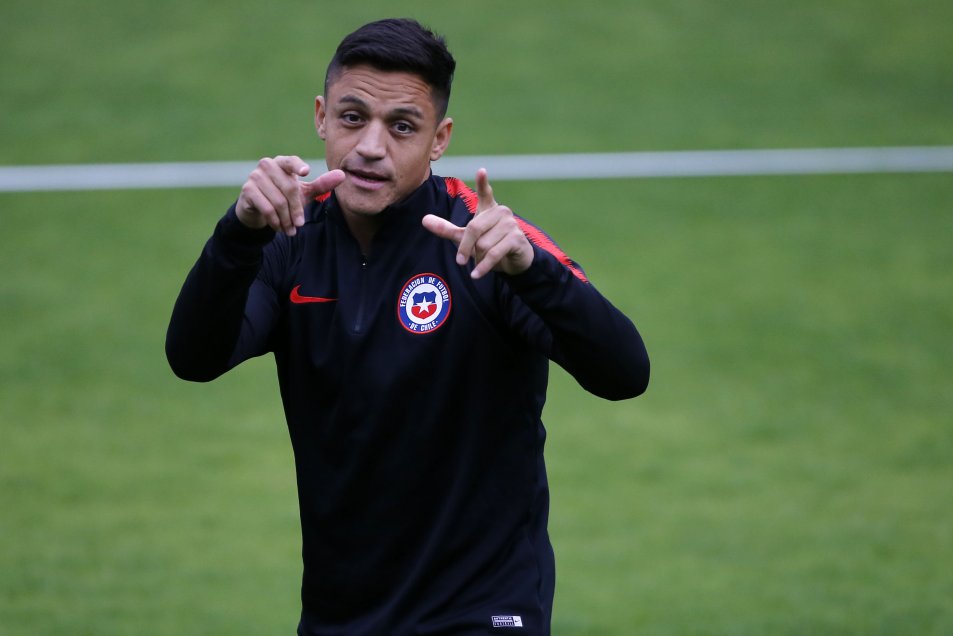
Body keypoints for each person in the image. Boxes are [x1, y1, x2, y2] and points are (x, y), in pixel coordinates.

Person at [166, 17, 649, 635]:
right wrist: (237, 233)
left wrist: (533, 272)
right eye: (351, 117)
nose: (371, 146)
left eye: (401, 127)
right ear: (320, 117)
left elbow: (625, 373)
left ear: (439, 138)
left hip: (483, 611)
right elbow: (194, 357)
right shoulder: (289, 242)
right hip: (341, 618)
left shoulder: (487, 241)